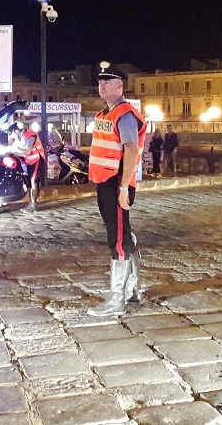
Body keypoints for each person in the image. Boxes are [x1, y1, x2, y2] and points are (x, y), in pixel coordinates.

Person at [87, 62, 147, 317]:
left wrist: (124, 188)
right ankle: (133, 291)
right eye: (100, 82)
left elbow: (131, 149)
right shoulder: (106, 113)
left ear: (119, 86)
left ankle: (117, 300)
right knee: (124, 235)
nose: (101, 86)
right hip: (106, 181)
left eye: (107, 82)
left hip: (116, 182)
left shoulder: (124, 113)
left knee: (119, 239)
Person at [9, 121, 46, 211]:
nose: (11, 136)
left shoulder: (29, 136)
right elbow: (17, 149)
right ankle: (31, 203)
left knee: (33, 181)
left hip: (37, 159)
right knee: (30, 181)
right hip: (29, 160)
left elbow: (27, 151)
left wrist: (17, 150)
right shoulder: (20, 137)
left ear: (16, 130)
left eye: (11, 133)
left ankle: (33, 205)